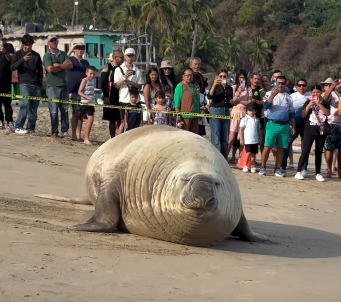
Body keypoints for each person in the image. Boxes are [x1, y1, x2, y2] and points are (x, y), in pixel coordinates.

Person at [259, 75, 296, 177]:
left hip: (284, 125)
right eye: (278, 83)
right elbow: (265, 106)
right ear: (275, 83)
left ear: (286, 84)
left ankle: (278, 168)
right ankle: (263, 167)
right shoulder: (268, 93)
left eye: (282, 83)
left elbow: (291, 113)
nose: (280, 85)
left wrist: (293, 126)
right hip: (272, 123)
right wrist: (272, 96)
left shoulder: (288, 97)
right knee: (268, 146)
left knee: (281, 147)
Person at [294, 84, 330, 182]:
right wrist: (309, 106)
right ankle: (298, 171)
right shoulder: (307, 102)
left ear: (321, 92)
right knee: (305, 150)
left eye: (317, 92)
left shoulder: (325, 102)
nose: (315, 94)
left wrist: (319, 104)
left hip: (321, 127)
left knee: (319, 151)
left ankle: (318, 173)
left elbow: (327, 113)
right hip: (309, 127)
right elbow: (303, 115)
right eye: (313, 92)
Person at [10, 33, 43, 134]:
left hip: (35, 84)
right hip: (24, 83)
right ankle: (18, 126)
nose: (28, 47)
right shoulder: (18, 54)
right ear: (23, 44)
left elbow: (40, 70)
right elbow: (12, 67)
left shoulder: (36, 55)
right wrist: (22, 60)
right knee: (24, 104)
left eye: (30, 45)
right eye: (26, 45)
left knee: (34, 108)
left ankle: (30, 128)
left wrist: (39, 83)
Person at [43, 34, 72, 137]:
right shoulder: (47, 55)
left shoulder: (63, 53)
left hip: (63, 85)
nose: (54, 42)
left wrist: (59, 65)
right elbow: (49, 69)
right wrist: (63, 67)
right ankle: (54, 131)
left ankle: (64, 131)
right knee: (54, 111)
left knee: (64, 109)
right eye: (52, 41)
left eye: (55, 40)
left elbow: (70, 65)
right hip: (52, 86)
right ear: (48, 43)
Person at [281, 79, 310, 174]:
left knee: (305, 147)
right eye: (299, 85)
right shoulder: (291, 96)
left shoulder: (310, 96)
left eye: (304, 85)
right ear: (296, 87)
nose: (302, 87)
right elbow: (287, 110)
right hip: (294, 124)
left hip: (307, 124)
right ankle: (283, 167)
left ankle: (304, 168)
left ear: (306, 86)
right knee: (287, 144)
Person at [114, 48, 144, 134]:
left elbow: (139, 86)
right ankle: (118, 140)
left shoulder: (137, 70)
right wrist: (124, 78)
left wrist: (130, 82)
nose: (130, 58)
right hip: (124, 99)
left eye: (132, 56)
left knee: (136, 123)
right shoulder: (118, 69)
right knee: (122, 122)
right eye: (128, 56)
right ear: (125, 57)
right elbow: (116, 85)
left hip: (135, 100)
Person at [206, 69, 233, 159]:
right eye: (220, 76)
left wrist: (233, 101)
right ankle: (215, 158)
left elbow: (229, 102)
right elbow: (209, 96)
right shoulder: (215, 87)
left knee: (225, 138)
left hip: (226, 111)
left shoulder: (229, 88)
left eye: (224, 76)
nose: (222, 78)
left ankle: (224, 159)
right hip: (216, 111)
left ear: (227, 77)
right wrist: (214, 84)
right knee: (216, 137)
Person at [65, 43, 90, 141]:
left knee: (81, 114)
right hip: (73, 90)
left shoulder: (85, 62)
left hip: (83, 91)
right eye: (78, 49)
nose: (80, 51)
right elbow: (63, 60)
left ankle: (78, 134)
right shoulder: (70, 60)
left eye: (82, 49)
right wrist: (71, 49)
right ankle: (73, 134)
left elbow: (89, 74)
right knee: (75, 113)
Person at [227, 69, 252, 162]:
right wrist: (238, 93)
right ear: (237, 78)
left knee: (242, 138)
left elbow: (250, 101)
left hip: (244, 113)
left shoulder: (248, 89)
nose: (242, 79)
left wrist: (240, 101)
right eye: (240, 77)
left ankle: (240, 158)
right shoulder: (233, 87)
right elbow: (232, 101)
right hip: (235, 113)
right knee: (232, 137)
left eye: (243, 77)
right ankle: (226, 156)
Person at [321, 76, 341, 178]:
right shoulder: (331, 94)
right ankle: (329, 169)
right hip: (332, 123)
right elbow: (324, 99)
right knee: (329, 148)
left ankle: (339, 171)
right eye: (338, 83)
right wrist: (332, 87)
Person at [101, 50, 124, 138]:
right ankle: (112, 137)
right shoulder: (107, 67)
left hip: (120, 96)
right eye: (121, 58)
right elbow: (103, 83)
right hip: (110, 96)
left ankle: (119, 136)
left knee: (120, 118)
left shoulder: (122, 68)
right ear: (115, 58)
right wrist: (105, 96)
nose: (122, 59)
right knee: (112, 119)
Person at [174, 68, 200, 134]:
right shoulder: (180, 86)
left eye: (191, 75)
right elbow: (177, 102)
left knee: (195, 135)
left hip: (195, 115)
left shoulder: (193, 86)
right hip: (185, 117)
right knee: (185, 135)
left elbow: (196, 100)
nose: (189, 77)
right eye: (187, 75)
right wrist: (178, 115)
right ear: (183, 76)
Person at [239, 102, 261, 173]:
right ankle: (245, 166)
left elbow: (258, 129)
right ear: (246, 111)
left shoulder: (257, 120)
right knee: (248, 153)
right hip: (247, 140)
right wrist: (241, 139)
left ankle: (252, 166)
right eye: (249, 110)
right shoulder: (244, 119)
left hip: (255, 140)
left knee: (253, 154)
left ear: (255, 111)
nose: (251, 112)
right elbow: (241, 129)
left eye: (253, 110)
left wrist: (260, 138)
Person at [0, 29, 15, 131]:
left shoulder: (9, 46)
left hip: (6, 79)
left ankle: (9, 121)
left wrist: (4, 52)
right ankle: (0, 121)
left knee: (7, 102)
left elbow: (12, 59)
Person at [77, 66, 97, 145]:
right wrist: (86, 97)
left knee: (89, 120)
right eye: (90, 73)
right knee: (90, 119)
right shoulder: (84, 80)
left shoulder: (92, 81)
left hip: (90, 104)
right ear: (86, 73)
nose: (92, 75)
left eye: (93, 74)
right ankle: (86, 139)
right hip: (85, 103)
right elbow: (79, 91)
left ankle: (85, 137)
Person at [259, 74, 272, 152]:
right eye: (263, 81)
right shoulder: (260, 92)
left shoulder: (274, 91)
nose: (264, 83)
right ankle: (263, 159)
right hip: (262, 117)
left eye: (266, 81)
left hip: (271, 118)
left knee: (272, 142)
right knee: (262, 141)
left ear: (269, 82)